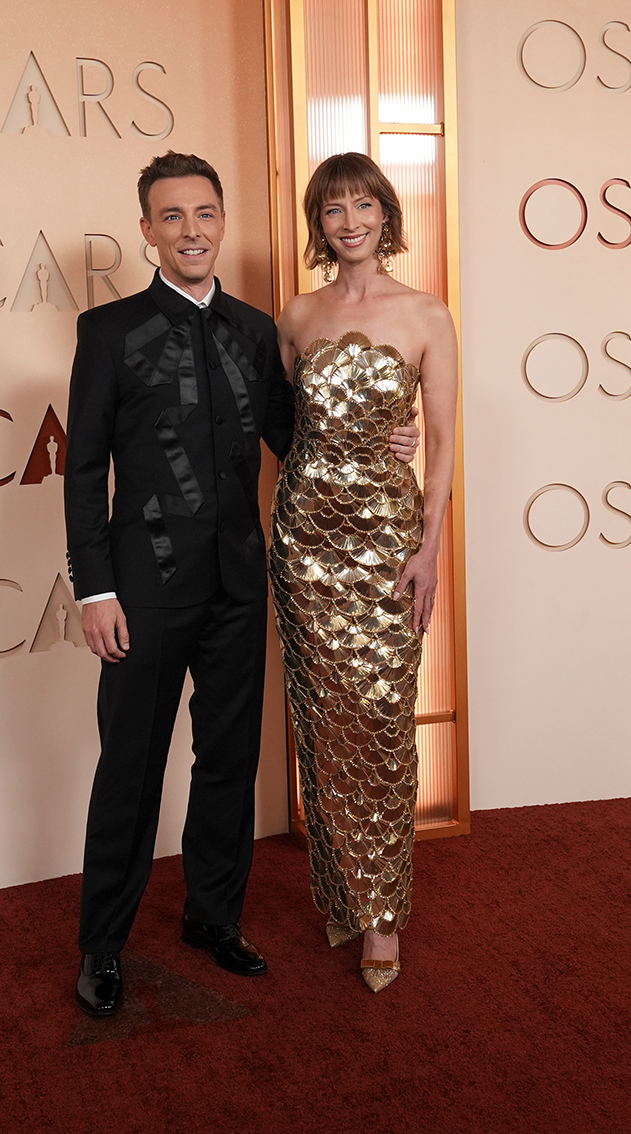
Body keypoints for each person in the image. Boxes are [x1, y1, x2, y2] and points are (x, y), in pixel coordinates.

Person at [64, 150, 420, 1018]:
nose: (191, 231)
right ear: (147, 230)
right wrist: (94, 589)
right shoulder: (107, 331)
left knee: (228, 761)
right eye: (172, 216)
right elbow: (83, 469)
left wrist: (378, 436)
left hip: (238, 582)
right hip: (142, 591)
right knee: (130, 767)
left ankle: (213, 916)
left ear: (222, 223)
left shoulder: (258, 330)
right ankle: (102, 943)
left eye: (204, 214)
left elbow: (296, 436)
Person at [269, 152, 457, 993]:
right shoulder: (296, 315)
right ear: (319, 222)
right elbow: (282, 427)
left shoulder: (426, 313)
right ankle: (348, 889)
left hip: (387, 543)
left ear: (386, 214)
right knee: (324, 720)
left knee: (381, 719)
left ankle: (383, 915)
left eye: (363, 205)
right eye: (333, 208)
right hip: (305, 545)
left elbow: (442, 445)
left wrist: (429, 548)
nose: (349, 221)